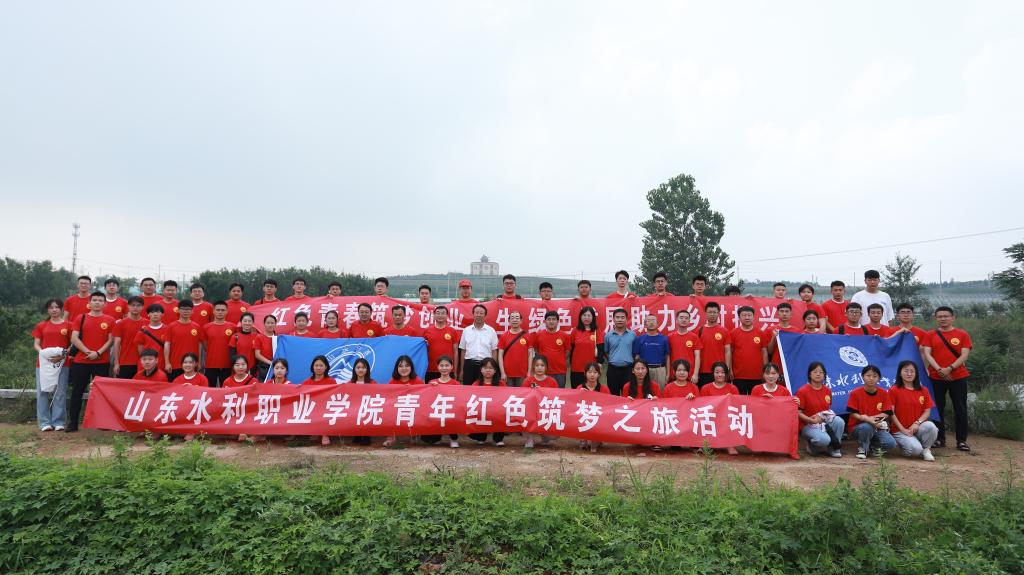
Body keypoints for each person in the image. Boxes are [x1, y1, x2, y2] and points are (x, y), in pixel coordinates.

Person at [922, 306, 972, 451]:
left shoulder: (962, 334)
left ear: (952, 317)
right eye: (940, 316)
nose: (943, 319)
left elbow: (964, 355)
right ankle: (939, 439)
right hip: (936, 377)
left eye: (946, 316)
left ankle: (961, 440)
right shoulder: (930, 334)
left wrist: (949, 368)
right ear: (936, 318)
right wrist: (939, 369)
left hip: (958, 376)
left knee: (960, 409)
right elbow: (927, 354)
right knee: (937, 408)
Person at [66, 292, 115, 432]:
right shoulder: (80, 318)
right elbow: (74, 338)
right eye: (94, 300)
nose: (97, 302)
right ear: (89, 303)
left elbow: (110, 340)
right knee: (77, 392)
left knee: (102, 393)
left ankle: (102, 422)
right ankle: (73, 423)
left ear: (105, 304)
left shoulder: (110, 320)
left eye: (100, 300)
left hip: (101, 361)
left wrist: (98, 353)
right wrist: (88, 352)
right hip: (81, 361)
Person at [32, 298, 70, 432]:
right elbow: (36, 344)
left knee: (60, 392)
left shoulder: (68, 325)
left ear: (61, 309)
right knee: (42, 392)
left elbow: (71, 345)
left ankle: (58, 421)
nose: (54, 310)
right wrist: (44, 354)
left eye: (57, 307)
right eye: (51, 307)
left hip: (62, 363)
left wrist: (61, 356)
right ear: (47, 310)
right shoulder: (41, 325)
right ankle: (44, 422)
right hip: (43, 364)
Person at [888, 360, 938, 461]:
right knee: (914, 451)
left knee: (931, 426)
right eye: (906, 371)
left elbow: (927, 411)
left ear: (916, 374)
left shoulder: (923, 390)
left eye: (912, 371)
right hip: (899, 430)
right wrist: (903, 429)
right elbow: (891, 413)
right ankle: (909, 447)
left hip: (917, 427)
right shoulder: (894, 390)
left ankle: (926, 449)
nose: (909, 374)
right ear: (900, 373)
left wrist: (917, 423)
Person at [846, 365, 897, 459]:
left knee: (891, 444)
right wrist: (868, 420)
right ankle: (863, 449)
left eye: (874, 376)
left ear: (879, 378)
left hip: (877, 427)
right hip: (858, 427)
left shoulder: (883, 393)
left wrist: (872, 420)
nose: (871, 378)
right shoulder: (855, 393)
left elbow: (887, 412)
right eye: (868, 375)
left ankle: (873, 447)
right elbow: (852, 413)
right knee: (867, 427)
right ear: (862, 377)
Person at [796, 362, 844, 457]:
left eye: (821, 372)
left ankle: (834, 448)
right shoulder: (802, 391)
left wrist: (823, 419)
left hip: (823, 423)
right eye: (815, 372)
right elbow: (798, 412)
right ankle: (811, 445)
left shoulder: (827, 390)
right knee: (824, 440)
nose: (818, 374)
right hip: (807, 425)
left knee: (839, 421)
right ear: (810, 374)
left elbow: (827, 410)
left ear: (824, 375)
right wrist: (811, 420)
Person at [383, 355, 425, 448]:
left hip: (412, 409)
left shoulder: (417, 381)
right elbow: (388, 399)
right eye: (401, 366)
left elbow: (424, 398)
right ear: (397, 368)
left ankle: (414, 433)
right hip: (397, 409)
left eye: (407, 365)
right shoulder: (392, 381)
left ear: (411, 367)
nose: (404, 368)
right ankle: (392, 436)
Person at [423, 356, 461, 448]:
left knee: (453, 418)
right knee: (430, 440)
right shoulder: (432, 382)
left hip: (451, 411)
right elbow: (427, 399)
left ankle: (453, 438)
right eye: (442, 365)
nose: (444, 368)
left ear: (452, 367)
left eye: (447, 365)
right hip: (437, 411)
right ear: (438, 367)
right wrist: (431, 388)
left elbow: (460, 400)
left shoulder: (456, 384)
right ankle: (437, 437)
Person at [729, 306, 767, 394]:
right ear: (739, 317)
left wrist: (766, 371)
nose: (747, 317)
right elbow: (730, 352)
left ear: (753, 317)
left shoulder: (760, 333)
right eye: (744, 315)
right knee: (739, 400)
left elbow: (764, 352)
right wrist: (730, 369)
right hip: (738, 375)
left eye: (749, 315)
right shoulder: (733, 333)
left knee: (755, 400)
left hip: (757, 375)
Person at [164, 300, 205, 380]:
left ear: (192, 311)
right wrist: (167, 362)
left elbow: (199, 345)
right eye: (183, 309)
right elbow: (167, 344)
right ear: (178, 310)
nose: (185, 311)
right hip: (175, 364)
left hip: (192, 364)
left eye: (188, 309)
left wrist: (199, 362)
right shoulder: (171, 326)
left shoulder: (197, 327)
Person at [300, 355, 337, 445]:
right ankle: (314, 431)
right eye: (316, 365)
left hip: (326, 407)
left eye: (321, 365)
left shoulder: (331, 381)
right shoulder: (307, 382)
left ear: (326, 367)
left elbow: (334, 396)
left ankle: (325, 434)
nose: (319, 368)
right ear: (312, 367)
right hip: (312, 407)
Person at [523, 355, 557, 449]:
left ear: (546, 367)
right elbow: (523, 397)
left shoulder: (552, 381)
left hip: (546, 411)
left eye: (542, 365)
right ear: (533, 366)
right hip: (531, 411)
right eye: (537, 365)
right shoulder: (528, 380)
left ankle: (544, 436)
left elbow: (556, 398)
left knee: (554, 435)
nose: (539, 368)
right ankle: (529, 438)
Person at [458, 304, 498, 385]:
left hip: (486, 366)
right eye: (476, 313)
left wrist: (494, 368)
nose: (478, 315)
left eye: (481, 313)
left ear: (485, 315)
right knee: (468, 388)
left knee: (484, 388)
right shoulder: (466, 330)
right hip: (469, 365)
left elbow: (494, 351)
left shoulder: (491, 331)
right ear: (473, 314)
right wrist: (462, 370)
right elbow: (463, 351)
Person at [532, 310, 571, 388]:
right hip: (543, 371)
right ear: (545, 321)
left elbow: (567, 352)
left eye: (554, 319)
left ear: (558, 321)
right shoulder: (539, 334)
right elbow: (536, 350)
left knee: (558, 393)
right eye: (549, 319)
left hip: (559, 371)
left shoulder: (565, 336)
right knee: (543, 393)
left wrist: (558, 359)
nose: (551, 321)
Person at [697, 302, 732, 387]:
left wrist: (727, 369)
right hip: (703, 370)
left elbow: (727, 351)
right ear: (705, 313)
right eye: (710, 312)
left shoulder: (724, 331)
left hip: (720, 371)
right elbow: (697, 352)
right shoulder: (700, 330)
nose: (712, 314)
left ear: (718, 313)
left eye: (714, 312)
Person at [576, 362, 608, 452]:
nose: (592, 375)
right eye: (589, 372)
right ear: (585, 373)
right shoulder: (579, 388)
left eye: (595, 372)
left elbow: (609, 406)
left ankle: (597, 438)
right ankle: (583, 437)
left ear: (599, 374)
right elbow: (573, 406)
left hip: (598, 416)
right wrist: (579, 394)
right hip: (584, 417)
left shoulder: (604, 389)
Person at [604, 308, 636, 396]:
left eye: (622, 317)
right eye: (617, 317)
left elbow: (635, 352)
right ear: (613, 319)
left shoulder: (632, 335)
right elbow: (606, 352)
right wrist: (614, 359)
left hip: (628, 370)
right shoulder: (608, 336)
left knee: (628, 395)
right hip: (613, 370)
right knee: (613, 396)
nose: (620, 320)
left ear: (626, 319)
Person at [633, 315, 670, 390]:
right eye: (649, 321)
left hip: (660, 369)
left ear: (657, 324)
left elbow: (667, 357)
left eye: (653, 320)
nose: (651, 322)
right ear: (645, 325)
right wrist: (637, 371)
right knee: (645, 391)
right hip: (644, 370)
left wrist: (668, 374)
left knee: (660, 392)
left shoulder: (664, 339)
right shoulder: (639, 339)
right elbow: (637, 357)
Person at [111, 296, 145, 379]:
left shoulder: (147, 323)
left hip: (144, 362)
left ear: (142, 307)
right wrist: (116, 363)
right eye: (133, 305)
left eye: (138, 305)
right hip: (125, 362)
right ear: (128, 307)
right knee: (123, 386)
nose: (135, 307)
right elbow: (117, 343)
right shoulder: (121, 323)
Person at [202, 301, 235, 388]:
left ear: (227, 311)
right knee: (210, 389)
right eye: (218, 310)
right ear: (213, 311)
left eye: (222, 310)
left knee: (226, 389)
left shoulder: (233, 327)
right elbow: (205, 345)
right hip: (211, 364)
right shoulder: (206, 327)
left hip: (227, 364)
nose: (220, 312)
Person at [424, 306, 459, 381]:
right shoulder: (427, 331)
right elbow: (423, 351)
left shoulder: (452, 331)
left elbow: (455, 352)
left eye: (443, 313)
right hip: (431, 369)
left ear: (447, 316)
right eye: (438, 313)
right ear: (434, 315)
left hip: (448, 369)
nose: (440, 315)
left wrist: (455, 370)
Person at [498, 310, 531, 387]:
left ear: (521, 321)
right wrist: (502, 372)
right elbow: (500, 355)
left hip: (523, 374)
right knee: (508, 393)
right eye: (512, 318)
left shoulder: (527, 335)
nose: (515, 320)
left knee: (522, 393)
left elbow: (530, 355)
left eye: (517, 318)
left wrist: (529, 372)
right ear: (509, 321)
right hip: (507, 374)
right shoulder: (504, 336)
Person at [668, 309, 702, 384]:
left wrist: (695, 374)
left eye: (686, 318)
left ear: (689, 321)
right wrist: (668, 374)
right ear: (676, 320)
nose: (684, 320)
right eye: (681, 318)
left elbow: (697, 356)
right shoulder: (670, 337)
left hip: (690, 374)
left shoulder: (694, 337)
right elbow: (667, 357)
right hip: (674, 373)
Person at [134, 303, 169, 375]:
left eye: (158, 312)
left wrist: (167, 363)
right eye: (152, 312)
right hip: (145, 364)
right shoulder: (142, 331)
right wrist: (147, 360)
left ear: (162, 314)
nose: (155, 314)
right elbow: (140, 351)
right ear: (148, 314)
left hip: (162, 363)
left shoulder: (168, 329)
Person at [569, 306, 599, 388]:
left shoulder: (597, 331)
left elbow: (600, 349)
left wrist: (599, 363)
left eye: (589, 315)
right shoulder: (575, 330)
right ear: (580, 317)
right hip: (576, 368)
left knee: (591, 391)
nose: (586, 318)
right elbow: (571, 348)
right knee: (576, 391)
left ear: (593, 317)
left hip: (591, 369)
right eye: (584, 315)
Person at [347, 357, 374, 445]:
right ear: (354, 369)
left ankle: (366, 435)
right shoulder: (350, 384)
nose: (361, 370)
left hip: (368, 408)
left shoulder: (373, 383)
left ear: (367, 369)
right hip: (354, 408)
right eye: (358, 367)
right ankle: (357, 434)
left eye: (363, 367)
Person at [766, 302, 801, 367]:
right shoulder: (770, 330)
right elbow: (769, 352)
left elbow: (799, 350)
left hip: (792, 364)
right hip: (776, 365)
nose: (784, 314)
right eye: (782, 311)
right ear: (778, 314)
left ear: (791, 314)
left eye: (787, 311)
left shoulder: (797, 331)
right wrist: (773, 337)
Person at [253, 315, 277, 380]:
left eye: (272, 323)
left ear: (275, 324)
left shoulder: (278, 337)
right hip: (264, 367)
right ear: (264, 324)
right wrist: (270, 362)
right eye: (268, 323)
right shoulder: (259, 337)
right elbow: (257, 355)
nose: (270, 325)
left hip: (276, 366)